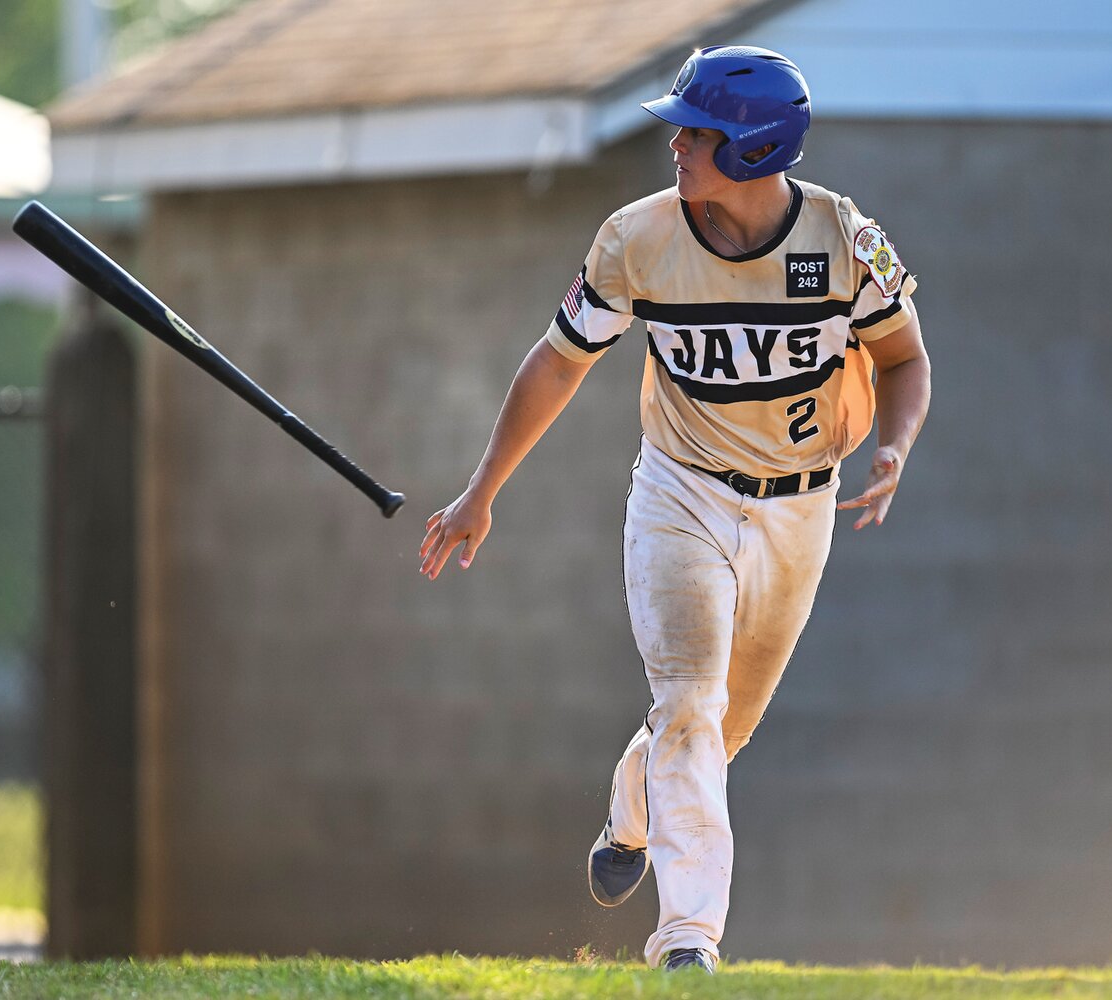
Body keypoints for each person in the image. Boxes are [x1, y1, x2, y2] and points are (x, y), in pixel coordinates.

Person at [419, 44, 931, 974]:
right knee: (690, 704)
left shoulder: (844, 240)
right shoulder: (636, 238)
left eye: (697, 133)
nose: (677, 147)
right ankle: (688, 940)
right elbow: (559, 360)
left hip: (799, 507)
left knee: (722, 729)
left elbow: (903, 360)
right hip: (680, 489)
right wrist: (480, 490)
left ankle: (633, 812)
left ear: (752, 150)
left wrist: (893, 447)